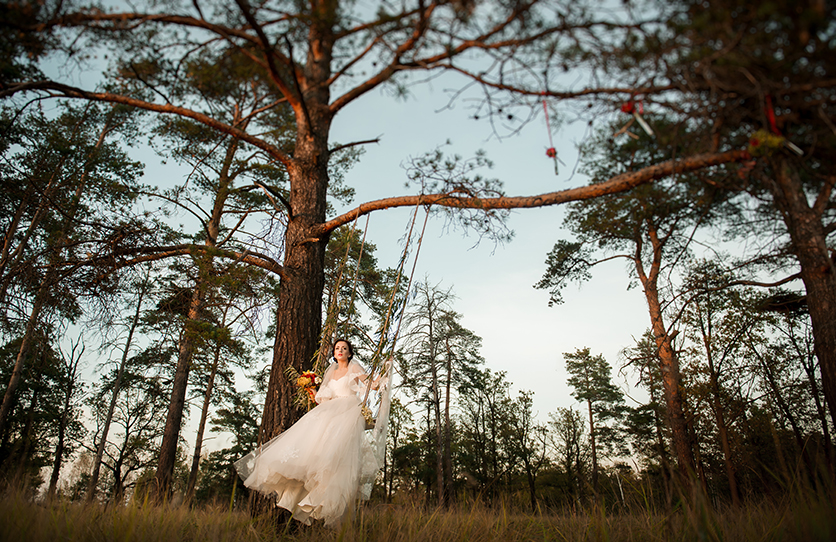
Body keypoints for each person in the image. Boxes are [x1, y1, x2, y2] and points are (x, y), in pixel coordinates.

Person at [234, 339, 390, 527]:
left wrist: (385, 370)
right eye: (337, 348)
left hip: (346, 413)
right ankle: (299, 494)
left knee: (333, 455)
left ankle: (325, 499)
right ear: (334, 353)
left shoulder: (354, 368)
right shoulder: (330, 372)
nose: (340, 351)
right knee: (310, 451)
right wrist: (310, 388)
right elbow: (322, 399)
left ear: (350, 353)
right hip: (328, 413)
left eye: (344, 349)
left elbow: (372, 385)